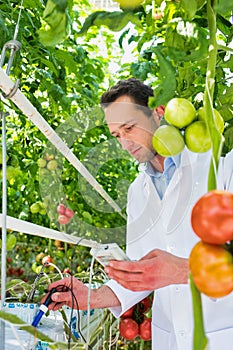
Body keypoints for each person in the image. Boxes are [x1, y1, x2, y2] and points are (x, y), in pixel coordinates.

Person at [41, 78, 233, 349]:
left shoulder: (219, 166)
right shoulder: (137, 192)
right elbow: (139, 271)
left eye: (129, 127)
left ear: (158, 113)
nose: (125, 143)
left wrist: (181, 271)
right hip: (169, 339)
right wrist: (92, 297)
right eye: (117, 135)